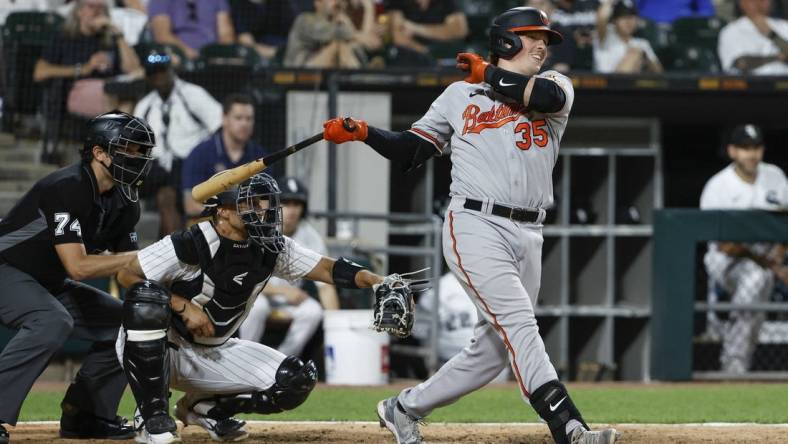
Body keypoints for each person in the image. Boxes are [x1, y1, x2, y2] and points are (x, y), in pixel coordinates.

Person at [323, 6, 619, 444]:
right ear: (506, 41)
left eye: (546, 38)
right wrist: (365, 132)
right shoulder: (458, 97)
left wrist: (486, 75)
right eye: (533, 36)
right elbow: (412, 149)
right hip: (475, 223)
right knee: (520, 325)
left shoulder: (558, 86)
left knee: (494, 351)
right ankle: (570, 428)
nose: (542, 44)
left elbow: (545, 101)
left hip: (531, 231)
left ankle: (403, 407)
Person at [115, 173, 392, 443]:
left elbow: (329, 269)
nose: (261, 211)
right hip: (162, 347)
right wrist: (183, 306)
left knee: (296, 380)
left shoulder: (272, 246)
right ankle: (151, 414)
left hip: (213, 351)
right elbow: (127, 275)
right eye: (249, 204)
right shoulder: (192, 241)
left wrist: (377, 281)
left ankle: (204, 408)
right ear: (223, 211)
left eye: (263, 203)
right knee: (145, 301)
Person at [0, 111, 156, 444]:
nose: (139, 158)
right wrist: (145, 256)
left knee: (129, 322)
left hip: (47, 282)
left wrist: (175, 273)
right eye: (129, 148)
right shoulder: (67, 186)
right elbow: (78, 267)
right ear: (100, 152)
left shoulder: (126, 203)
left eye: (142, 151)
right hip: (6, 269)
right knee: (52, 320)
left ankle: (86, 416)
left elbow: (130, 271)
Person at [700, 124, 788, 374]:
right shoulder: (718, 185)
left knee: (755, 309)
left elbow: (785, 228)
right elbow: (724, 243)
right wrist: (774, 267)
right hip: (727, 260)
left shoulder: (775, 177)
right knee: (755, 278)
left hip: (769, 259)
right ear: (732, 151)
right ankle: (734, 363)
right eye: (744, 148)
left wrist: (779, 259)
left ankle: (740, 365)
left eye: (756, 147)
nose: (751, 154)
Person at [239, 177, 340, 357]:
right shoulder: (258, 228)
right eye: (286, 203)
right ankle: (245, 358)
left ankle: (281, 361)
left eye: (297, 204)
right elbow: (246, 278)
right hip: (259, 296)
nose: (292, 210)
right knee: (258, 306)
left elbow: (325, 285)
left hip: (291, 301)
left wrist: (337, 326)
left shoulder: (310, 236)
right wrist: (283, 292)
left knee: (313, 311)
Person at [33, 0, 142, 162]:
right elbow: (39, 72)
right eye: (91, 6)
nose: (97, 11)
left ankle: (113, 155)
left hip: (110, 89)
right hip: (74, 91)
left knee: (128, 96)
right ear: (79, 12)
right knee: (114, 94)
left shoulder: (109, 39)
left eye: (101, 8)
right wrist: (82, 68)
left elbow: (134, 70)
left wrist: (118, 35)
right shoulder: (64, 36)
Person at [133, 50, 222, 237]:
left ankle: (175, 247)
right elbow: (136, 143)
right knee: (159, 190)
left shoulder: (193, 94)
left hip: (192, 163)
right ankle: (173, 247)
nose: (159, 77)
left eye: (162, 71)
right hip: (157, 167)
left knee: (166, 195)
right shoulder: (145, 105)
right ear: (148, 77)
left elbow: (219, 125)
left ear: (171, 71)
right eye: (154, 73)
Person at [181, 93, 269, 219]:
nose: (244, 124)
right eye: (238, 118)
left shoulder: (260, 156)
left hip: (250, 228)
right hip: (209, 226)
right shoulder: (199, 154)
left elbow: (266, 201)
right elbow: (190, 205)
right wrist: (232, 215)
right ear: (224, 118)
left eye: (249, 119)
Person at [283, 0, 366, 68]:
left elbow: (359, 51)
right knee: (337, 46)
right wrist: (357, 35)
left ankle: (362, 80)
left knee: (343, 47)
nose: (337, 2)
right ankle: (363, 80)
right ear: (318, 2)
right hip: (298, 72)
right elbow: (330, 32)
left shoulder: (339, 26)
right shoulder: (304, 19)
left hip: (327, 77)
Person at [386, 0, 469, 64]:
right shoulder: (398, 2)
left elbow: (459, 30)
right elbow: (398, 36)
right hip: (411, 58)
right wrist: (425, 51)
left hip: (447, 56)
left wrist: (415, 28)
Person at [718, 0, 788, 75]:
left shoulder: (784, 26)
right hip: (750, 84)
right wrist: (776, 58)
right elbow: (740, 64)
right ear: (743, 3)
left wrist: (772, 35)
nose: (766, 2)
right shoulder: (731, 31)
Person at [148, 0, 235, 60]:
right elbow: (162, 35)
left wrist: (220, 54)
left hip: (211, 56)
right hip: (176, 55)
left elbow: (225, 34)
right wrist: (191, 54)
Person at [593, 0, 662, 73]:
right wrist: (610, 2)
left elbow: (659, 73)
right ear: (614, 20)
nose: (628, 22)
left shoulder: (642, 43)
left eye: (632, 17)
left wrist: (645, 58)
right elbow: (601, 18)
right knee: (634, 53)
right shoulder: (605, 36)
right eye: (623, 17)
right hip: (605, 82)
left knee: (637, 51)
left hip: (632, 82)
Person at [230, 0, 296, 61]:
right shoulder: (240, 6)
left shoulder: (283, 4)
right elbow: (245, 41)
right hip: (257, 60)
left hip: (288, 56)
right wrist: (274, 53)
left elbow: (295, 35)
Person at [635, 0, 715, 24]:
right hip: (649, 27)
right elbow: (632, 8)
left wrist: (692, 21)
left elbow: (706, 11)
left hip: (683, 28)